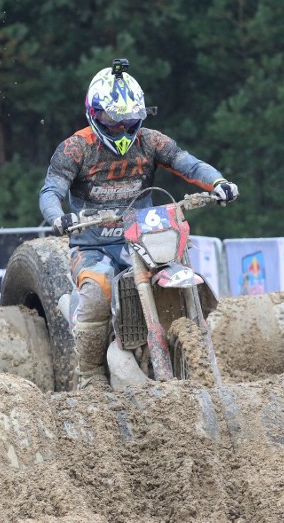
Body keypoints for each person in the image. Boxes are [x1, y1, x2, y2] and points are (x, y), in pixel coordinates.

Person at [39, 60, 240, 390]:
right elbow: (51, 191)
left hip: (143, 239)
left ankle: (198, 357)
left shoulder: (151, 141)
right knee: (98, 291)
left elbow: (187, 164)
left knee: (179, 272)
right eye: (111, 120)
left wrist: (218, 182)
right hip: (92, 245)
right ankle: (89, 373)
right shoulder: (75, 148)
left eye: (127, 120)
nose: (119, 128)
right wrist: (58, 216)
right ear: (94, 113)